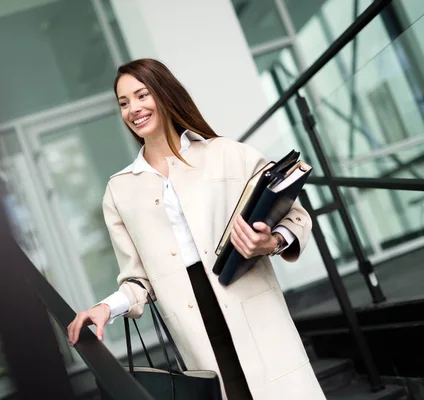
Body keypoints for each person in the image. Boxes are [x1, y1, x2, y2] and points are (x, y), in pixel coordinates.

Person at [67, 58, 325, 400]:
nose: (134, 109)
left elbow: (297, 216)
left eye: (142, 95)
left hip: (255, 310)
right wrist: (105, 308)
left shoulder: (226, 154)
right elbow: (137, 278)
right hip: (194, 327)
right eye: (124, 103)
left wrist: (272, 241)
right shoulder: (120, 191)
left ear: (164, 93)